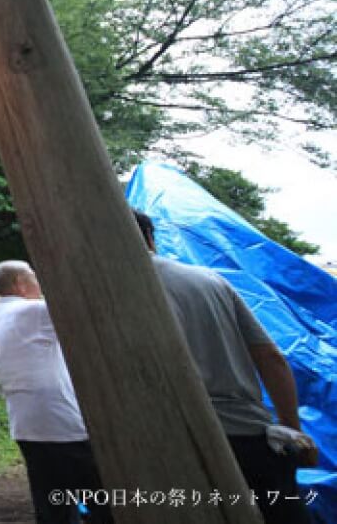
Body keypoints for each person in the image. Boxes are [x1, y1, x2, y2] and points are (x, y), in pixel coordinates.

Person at [135, 209, 316, 524]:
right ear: (151, 238)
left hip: (166, 445)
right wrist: (293, 430)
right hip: (247, 436)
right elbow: (271, 358)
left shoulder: (96, 294)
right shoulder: (208, 280)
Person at [0, 261, 107, 523]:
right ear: (20, 285)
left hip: (25, 424)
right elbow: (85, 314)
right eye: (35, 278)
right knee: (98, 499)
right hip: (61, 421)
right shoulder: (35, 311)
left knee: (50, 500)